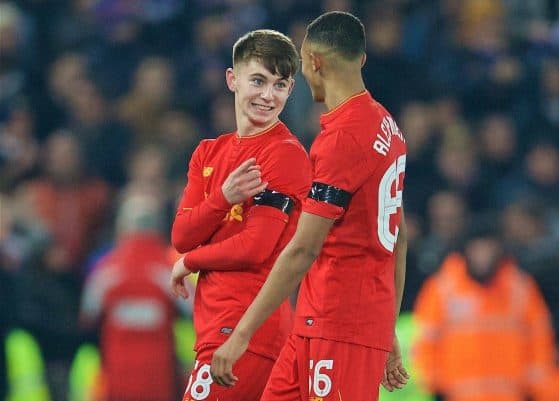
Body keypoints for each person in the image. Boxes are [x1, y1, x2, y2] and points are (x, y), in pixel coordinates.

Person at [211, 11, 410, 401]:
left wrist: (241, 336)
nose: (302, 74)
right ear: (362, 59)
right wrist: (386, 331)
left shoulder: (343, 141)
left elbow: (304, 248)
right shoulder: (386, 125)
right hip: (320, 321)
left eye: (301, 63)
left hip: (340, 324)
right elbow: (398, 238)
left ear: (315, 63)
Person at [169, 29, 312, 401]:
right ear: (232, 80)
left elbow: (255, 247)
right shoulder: (208, 152)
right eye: (258, 81)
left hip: (247, 330)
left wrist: (190, 261)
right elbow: (182, 234)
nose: (268, 95)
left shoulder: (285, 154)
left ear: (291, 89)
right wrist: (223, 197)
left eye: (280, 85)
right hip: (217, 327)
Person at [412, 224, 559, 401]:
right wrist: (433, 382)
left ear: (499, 250)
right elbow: (425, 339)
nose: (482, 255)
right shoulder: (443, 288)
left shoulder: (520, 288)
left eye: (487, 248)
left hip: (510, 395)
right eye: (477, 248)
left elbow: (540, 338)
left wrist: (537, 387)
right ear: (465, 250)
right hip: (458, 395)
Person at [80, 192, 180, 401]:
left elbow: (86, 317)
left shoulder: (105, 271)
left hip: (117, 382)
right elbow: (198, 312)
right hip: (160, 382)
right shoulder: (171, 271)